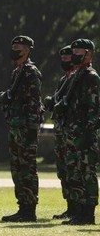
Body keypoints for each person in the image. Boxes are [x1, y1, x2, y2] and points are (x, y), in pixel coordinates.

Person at [0, 35, 43, 222]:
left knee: (27, 168)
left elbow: (34, 101)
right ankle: (22, 206)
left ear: (28, 49)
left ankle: (29, 209)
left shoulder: (31, 72)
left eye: (19, 46)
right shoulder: (17, 72)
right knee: (17, 168)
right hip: (16, 126)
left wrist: (32, 126)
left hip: (26, 127)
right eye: (13, 45)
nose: (15, 48)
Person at [59, 38, 99, 225]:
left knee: (87, 173)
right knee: (74, 173)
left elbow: (94, 108)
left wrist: (89, 132)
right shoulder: (77, 75)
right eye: (73, 51)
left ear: (89, 53)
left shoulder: (91, 76)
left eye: (78, 52)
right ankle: (80, 211)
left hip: (84, 133)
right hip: (72, 132)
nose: (74, 54)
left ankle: (88, 213)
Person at [43, 45, 76, 219]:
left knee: (73, 169)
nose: (65, 61)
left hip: (71, 130)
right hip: (61, 130)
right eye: (62, 59)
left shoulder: (77, 78)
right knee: (63, 170)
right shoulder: (64, 79)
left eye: (68, 58)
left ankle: (78, 207)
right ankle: (70, 206)